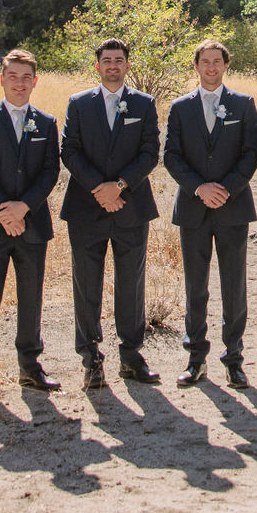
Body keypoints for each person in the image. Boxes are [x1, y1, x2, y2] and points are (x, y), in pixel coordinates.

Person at [59, 38, 161, 389]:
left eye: (119, 60)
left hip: (131, 206)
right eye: (107, 60)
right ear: (97, 66)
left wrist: (118, 186)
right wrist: (99, 190)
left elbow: (150, 153)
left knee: (131, 283)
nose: (113, 65)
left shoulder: (144, 104)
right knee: (86, 284)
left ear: (128, 66)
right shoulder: (78, 104)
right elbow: (68, 150)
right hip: (86, 208)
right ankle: (91, 359)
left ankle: (131, 356)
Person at [164, 38, 257, 389]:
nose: (211, 67)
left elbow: (252, 153)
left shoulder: (243, 104)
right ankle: (196, 360)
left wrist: (225, 189)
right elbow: (171, 156)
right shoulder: (179, 107)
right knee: (196, 287)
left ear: (225, 65)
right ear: (196, 66)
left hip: (232, 207)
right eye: (205, 61)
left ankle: (234, 359)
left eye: (217, 61)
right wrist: (199, 188)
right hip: (193, 208)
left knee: (234, 287)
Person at [0, 48, 60, 400]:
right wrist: (5, 212)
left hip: (32, 226)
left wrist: (24, 207)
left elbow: (50, 171)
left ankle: (30, 369)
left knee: (31, 298)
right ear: (1, 79)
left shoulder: (47, 123)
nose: (19, 83)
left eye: (26, 78)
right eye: (13, 76)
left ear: (35, 81)